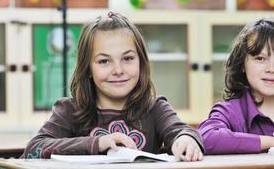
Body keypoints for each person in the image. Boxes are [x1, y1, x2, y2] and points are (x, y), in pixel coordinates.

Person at [21, 11, 204, 161]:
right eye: (104, 61)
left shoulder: (155, 107)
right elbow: (33, 149)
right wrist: (97, 143)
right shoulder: (69, 109)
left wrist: (186, 139)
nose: (118, 70)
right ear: (88, 68)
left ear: (141, 62)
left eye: (128, 58)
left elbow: (182, 131)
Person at [198, 17, 274, 154]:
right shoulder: (231, 111)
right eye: (260, 58)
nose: (271, 69)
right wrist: (270, 142)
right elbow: (207, 138)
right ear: (242, 64)